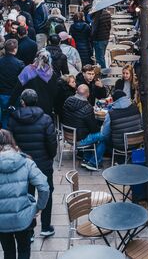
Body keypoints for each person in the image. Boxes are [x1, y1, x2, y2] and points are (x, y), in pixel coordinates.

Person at [8, 89, 57, 238]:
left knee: (26, 195)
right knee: (46, 192)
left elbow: (11, 144)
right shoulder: (46, 119)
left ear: (22, 102)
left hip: (23, 165)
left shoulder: (13, 120)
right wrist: (50, 157)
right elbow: (51, 143)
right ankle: (46, 226)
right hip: (43, 164)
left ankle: (28, 230)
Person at [0, 129, 49, 259]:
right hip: (23, 217)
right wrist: (38, 207)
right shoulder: (26, 162)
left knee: (8, 252)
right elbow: (44, 187)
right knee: (24, 250)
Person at [62, 84, 106, 171]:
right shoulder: (87, 107)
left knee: (86, 131)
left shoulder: (67, 101)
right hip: (80, 140)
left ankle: (86, 159)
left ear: (76, 92)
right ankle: (94, 162)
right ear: (88, 94)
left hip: (68, 137)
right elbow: (94, 129)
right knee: (104, 136)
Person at [10, 50, 57, 117]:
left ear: (36, 58)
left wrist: (11, 103)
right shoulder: (52, 73)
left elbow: (18, 88)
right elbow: (55, 92)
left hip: (29, 107)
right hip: (46, 108)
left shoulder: (27, 70)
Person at [0, 40, 25, 128]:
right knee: (14, 118)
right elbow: (22, 83)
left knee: (3, 118)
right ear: (15, 49)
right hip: (14, 95)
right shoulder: (20, 64)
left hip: (1, 94)